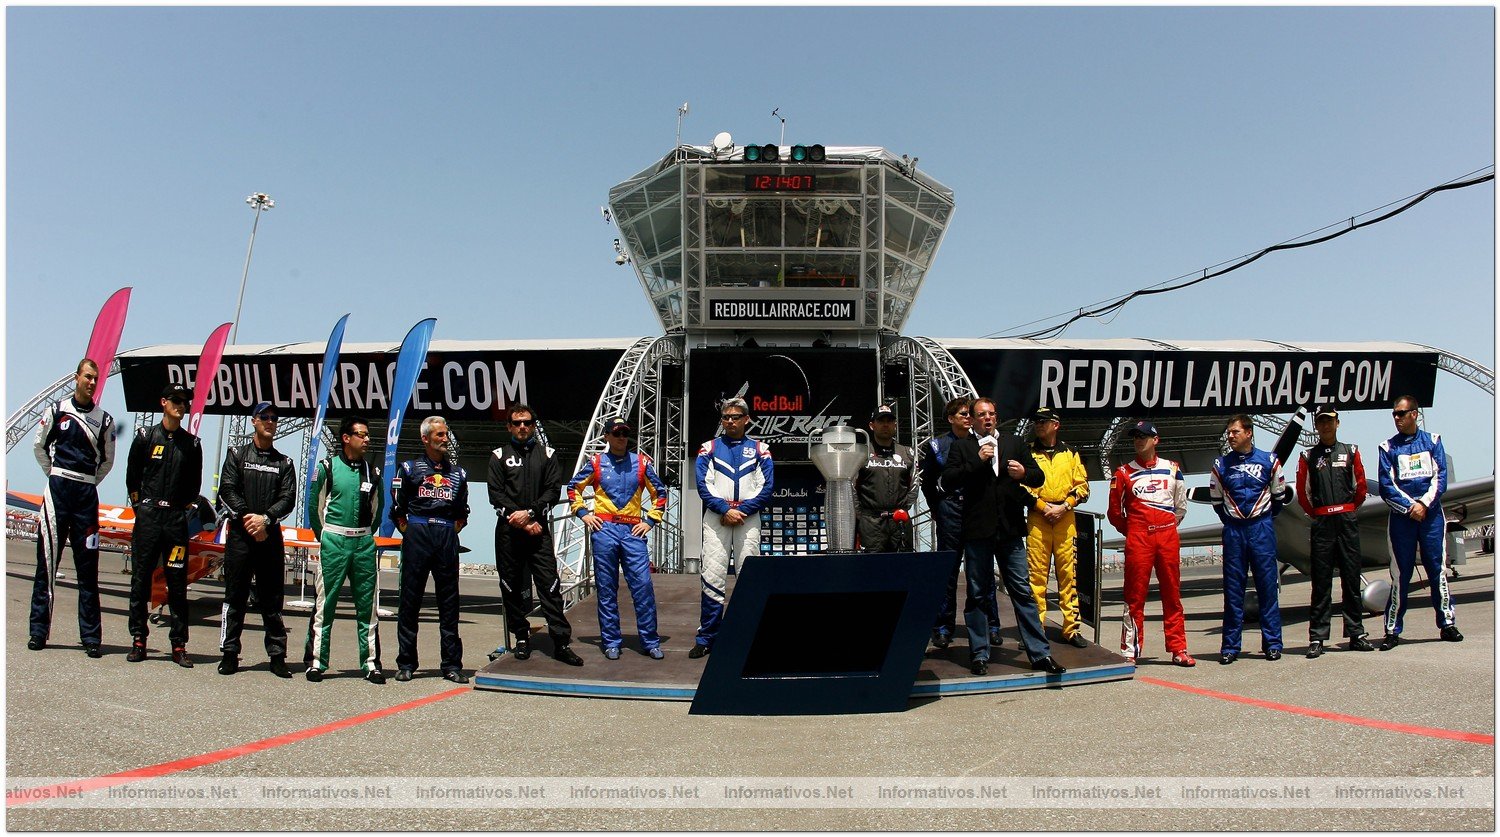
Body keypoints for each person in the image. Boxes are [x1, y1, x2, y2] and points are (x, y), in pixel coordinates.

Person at [941, 397, 1061, 677]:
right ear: (972, 419)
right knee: (978, 594)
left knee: (1022, 592)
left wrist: (1024, 473)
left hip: (1009, 531)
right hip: (978, 532)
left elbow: (1038, 477)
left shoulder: (1014, 444)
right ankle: (979, 654)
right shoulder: (962, 447)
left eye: (992, 414)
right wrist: (976, 461)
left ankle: (1040, 654)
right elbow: (948, 481)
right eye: (982, 414)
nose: (988, 418)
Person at [29, 358, 116, 657]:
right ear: (77, 378)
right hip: (57, 492)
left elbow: (107, 461)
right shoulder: (56, 411)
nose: (91, 383)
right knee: (47, 565)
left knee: (88, 570)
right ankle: (39, 632)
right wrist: (54, 475)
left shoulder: (105, 420)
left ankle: (91, 637)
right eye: (87, 377)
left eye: (96, 379)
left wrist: (88, 482)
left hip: (85, 497)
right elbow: (39, 447)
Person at [488, 403, 584, 666]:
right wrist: (521, 519)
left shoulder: (548, 454)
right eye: (517, 423)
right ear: (509, 426)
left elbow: (553, 491)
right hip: (509, 532)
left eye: (527, 422)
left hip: (538, 531)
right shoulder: (498, 456)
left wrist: (530, 513)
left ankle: (561, 642)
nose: (522, 427)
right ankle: (521, 636)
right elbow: (495, 495)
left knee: (550, 586)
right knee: (510, 586)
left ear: (533, 425)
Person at [567, 417, 669, 660]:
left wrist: (650, 521)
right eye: (617, 433)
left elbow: (660, 493)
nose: (622, 437)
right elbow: (573, 488)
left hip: (633, 531)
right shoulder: (596, 462)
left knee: (643, 586)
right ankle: (611, 641)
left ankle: (650, 641)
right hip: (605, 530)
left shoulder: (642, 463)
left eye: (625, 433)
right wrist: (583, 514)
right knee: (606, 587)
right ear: (607, 437)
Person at [124, 383, 203, 667]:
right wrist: (140, 508)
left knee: (177, 584)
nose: (181, 405)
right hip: (148, 519)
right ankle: (138, 640)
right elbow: (132, 477)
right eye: (176, 400)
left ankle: (179, 645)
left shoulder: (192, 444)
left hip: (174, 524)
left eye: (185, 402)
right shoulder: (145, 437)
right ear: (163, 402)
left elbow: (194, 486)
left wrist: (180, 512)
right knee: (140, 581)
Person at [216, 401, 296, 677]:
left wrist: (266, 519)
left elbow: (288, 498)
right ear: (254, 420)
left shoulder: (284, 462)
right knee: (234, 596)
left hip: (269, 536)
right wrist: (247, 517)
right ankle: (229, 653)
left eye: (274, 417)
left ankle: (277, 656)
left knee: (272, 600)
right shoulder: (236, 455)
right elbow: (227, 489)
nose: (270, 421)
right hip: (240, 535)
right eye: (265, 417)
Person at [304, 416, 386, 684]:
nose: (367, 439)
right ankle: (317, 662)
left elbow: (377, 510)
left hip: (363, 544)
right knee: (324, 605)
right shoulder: (327, 467)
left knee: (368, 607)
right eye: (361, 434)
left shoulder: (373, 473)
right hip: (334, 543)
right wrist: (325, 537)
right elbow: (315, 509)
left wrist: (365, 535)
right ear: (346, 438)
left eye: (367, 435)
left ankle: (371, 663)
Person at [691, 396, 774, 659]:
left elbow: (766, 487)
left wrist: (742, 511)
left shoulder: (761, 449)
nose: (730, 421)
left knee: (748, 576)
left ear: (746, 419)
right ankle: (707, 637)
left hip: (747, 518)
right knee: (712, 576)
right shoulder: (708, 448)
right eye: (726, 417)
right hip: (718, 518)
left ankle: (748, 637)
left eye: (735, 417)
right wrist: (725, 510)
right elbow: (703, 484)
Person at [1378, 395, 1462, 650]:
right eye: (1394, 414)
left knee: (1436, 570)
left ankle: (1447, 624)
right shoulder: (1387, 447)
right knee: (1400, 574)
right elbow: (1386, 486)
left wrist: (1423, 504)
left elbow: (1441, 477)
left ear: (1414, 414)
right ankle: (1393, 630)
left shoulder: (1433, 441)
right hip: (1402, 520)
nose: (1396, 418)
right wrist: (1409, 507)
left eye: (1401, 413)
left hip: (1431, 516)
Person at [1107, 420, 1194, 666]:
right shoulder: (1123, 473)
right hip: (1139, 538)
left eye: (1143, 436)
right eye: (1135, 436)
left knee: (1172, 594)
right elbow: (1115, 513)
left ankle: (1179, 649)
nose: (1138, 440)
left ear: (1155, 440)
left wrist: (1165, 527)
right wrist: (1136, 531)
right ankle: (1130, 651)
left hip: (1167, 536)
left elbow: (1180, 507)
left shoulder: (1173, 468)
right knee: (1134, 596)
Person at [919, 397, 1002, 650]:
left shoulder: (986, 441)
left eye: (970, 414)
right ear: (951, 418)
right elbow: (928, 482)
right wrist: (937, 508)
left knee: (983, 570)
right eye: (963, 414)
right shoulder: (937, 445)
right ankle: (943, 627)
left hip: (977, 509)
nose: (968, 418)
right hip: (951, 510)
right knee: (948, 570)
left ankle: (991, 624)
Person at [391, 416, 470, 683]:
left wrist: (448, 529)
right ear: (425, 438)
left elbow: (462, 511)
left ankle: (451, 664)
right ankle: (406, 663)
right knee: (410, 600)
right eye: (439, 435)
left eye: (446, 434)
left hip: (446, 535)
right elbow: (397, 508)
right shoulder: (409, 468)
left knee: (449, 602)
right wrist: (411, 531)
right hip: (418, 534)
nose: (445, 439)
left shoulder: (459, 473)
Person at [1210, 414, 1291, 665]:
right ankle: (1230, 646)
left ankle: (1272, 644)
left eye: (1235, 432)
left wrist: (1262, 518)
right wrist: (1234, 520)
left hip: (1261, 528)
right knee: (1233, 590)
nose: (1230, 436)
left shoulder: (1269, 461)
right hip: (1234, 530)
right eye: (1229, 432)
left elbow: (1279, 498)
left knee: (1268, 587)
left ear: (1249, 432)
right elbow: (1217, 502)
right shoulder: (1220, 465)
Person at [1296, 408, 1373, 657]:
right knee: (1321, 582)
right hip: (1323, 523)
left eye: (1329, 421)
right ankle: (1317, 637)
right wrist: (1318, 513)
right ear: (1316, 426)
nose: (1325, 426)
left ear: (1337, 423)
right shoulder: (1307, 456)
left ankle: (1356, 633)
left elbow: (1360, 486)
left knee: (1351, 578)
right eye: (1321, 422)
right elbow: (1303, 492)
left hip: (1347, 520)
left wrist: (1349, 509)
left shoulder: (1351, 451)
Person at [1025, 408, 1091, 649]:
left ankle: (1071, 629)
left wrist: (1064, 506)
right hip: (1038, 518)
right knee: (1036, 577)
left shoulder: (1070, 452)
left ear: (1055, 425)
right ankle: (1036, 628)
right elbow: (1023, 486)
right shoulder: (1028, 452)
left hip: (1065, 519)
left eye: (1043, 422)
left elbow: (1083, 486)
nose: (1038, 426)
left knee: (1068, 577)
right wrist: (1044, 507)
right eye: (1036, 422)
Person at [854, 403, 919, 553]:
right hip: (871, 522)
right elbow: (852, 487)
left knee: (903, 568)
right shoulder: (861, 453)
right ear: (872, 425)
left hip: (900, 520)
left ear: (895, 424)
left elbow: (914, 486)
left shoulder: (908, 453)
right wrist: (863, 515)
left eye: (889, 421)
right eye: (881, 421)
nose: (886, 425)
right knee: (872, 569)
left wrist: (902, 509)